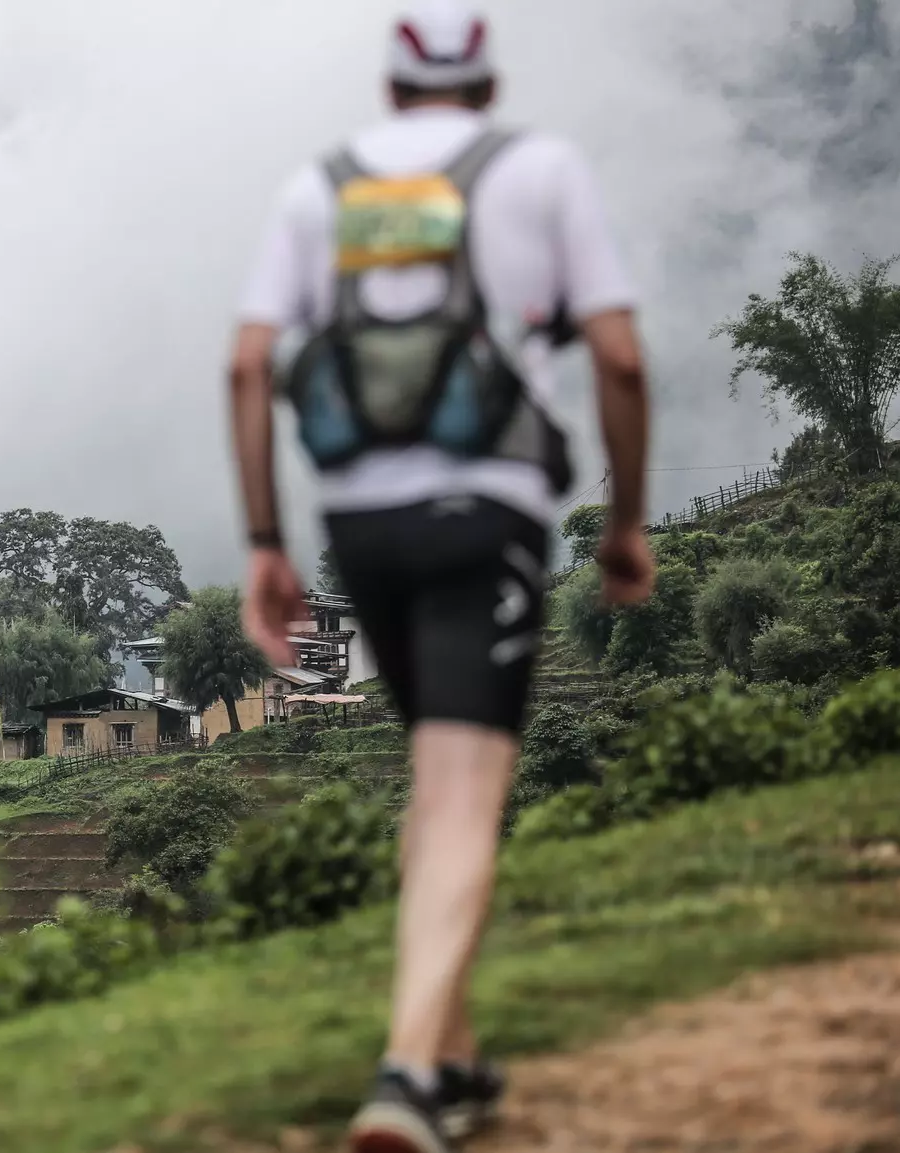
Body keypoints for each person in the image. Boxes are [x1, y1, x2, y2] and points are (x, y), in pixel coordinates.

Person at [225, 3, 655, 1151]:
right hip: (487, 519)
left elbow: (247, 363)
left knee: (434, 781)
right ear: (485, 81)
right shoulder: (539, 171)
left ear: (392, 88)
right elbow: (615, 354)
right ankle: (408, 1073)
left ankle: (453, 1058)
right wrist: (625, 521)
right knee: (466, 792)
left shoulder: (319, 190)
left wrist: (266, 541)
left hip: (360, 530)